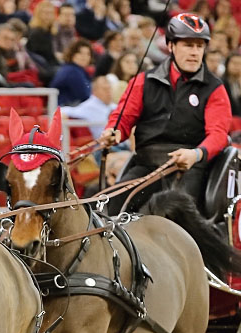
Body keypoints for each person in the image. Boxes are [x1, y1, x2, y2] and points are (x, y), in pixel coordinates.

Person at [99, 13, 231, 214]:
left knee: (176, 213)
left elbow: (219, 134)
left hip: (189, 165)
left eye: (199, 46)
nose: (195, 52)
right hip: (146, 163)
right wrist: (114, 132)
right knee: (111, 206)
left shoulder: (214, 88)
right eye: (188, 45)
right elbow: (123, 118)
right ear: (171, 46)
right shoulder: (143, 81)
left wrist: (196, 154)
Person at [51, 39, 93, 106]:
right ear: (72, 54)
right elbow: (85, 95)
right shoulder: (71, 71)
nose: (84, 57)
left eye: (88, 54)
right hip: (66, 109)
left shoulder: (78, 70)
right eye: (80, 53)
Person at [26, 1, 59, 70]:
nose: (48, 16)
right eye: (45, 13)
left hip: (51, 63)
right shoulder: (36, 32)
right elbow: (40, 56)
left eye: (50, 13)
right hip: (42, 67)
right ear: (38, 14)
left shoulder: (50, 30)